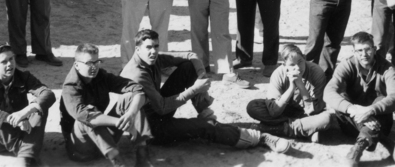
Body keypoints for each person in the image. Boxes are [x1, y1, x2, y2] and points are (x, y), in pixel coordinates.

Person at [120, 29, 291, 154]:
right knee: (205, 128)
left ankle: (204, 111)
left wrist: (201, 82)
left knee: (188, 68)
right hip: (151, 128)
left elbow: (191, 56)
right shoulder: (136, 75)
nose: (154, 51)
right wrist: (196, 89)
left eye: (156, 46)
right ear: (137, 49)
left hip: (156, 111)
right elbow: (163, 108)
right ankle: (260, 137)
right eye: (149, 47)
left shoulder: (151, 57)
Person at [60, 43, 152, 167]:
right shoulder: (70, 88)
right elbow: (84, 116)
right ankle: (118, 163)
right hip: (80, 148)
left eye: (96, 62)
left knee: (129, 98)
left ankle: (142, 156)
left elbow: (138, 89)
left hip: (104, 138)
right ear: (76, 65)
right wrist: (119, 122)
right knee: (87, 116)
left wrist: (131, 114)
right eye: (89, 63)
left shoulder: (101, 76)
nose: (94, 67)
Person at [0, 43, 56, 167]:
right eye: (4, 62)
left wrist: (28, 110)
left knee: (39, 107)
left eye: (11, 59)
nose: (10, 64)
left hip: (18, 129)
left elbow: (48, 93)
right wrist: (9, 118)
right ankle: (27, 153)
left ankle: (25, 153)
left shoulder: (23, 76)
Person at [324, 32, 395, 167]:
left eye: (367, 49)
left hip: (379, 120)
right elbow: (328, 92)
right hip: (351, 122)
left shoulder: (387, 68)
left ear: (374, 49)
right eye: (359, 50)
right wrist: (354, 110)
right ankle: (373, 138)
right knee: (341, 96)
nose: (364, 54)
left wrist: (371, 110)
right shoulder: (347, 65)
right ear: (354, 51)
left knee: (382, 99)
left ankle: (359, 147)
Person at [246, 43, 334, 141]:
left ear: (305, 58)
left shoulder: (316, 72)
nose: (297, 67)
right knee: (253, 106)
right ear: (284, 65)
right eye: (292, 64)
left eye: (300, 61)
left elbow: (313, 110)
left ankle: (272, 128)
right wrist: (291, 88)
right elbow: (274, 111)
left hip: (306, 113)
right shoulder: (278, 74)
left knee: (326, 118)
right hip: (285, 111)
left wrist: (301, 86)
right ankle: (305, 130)